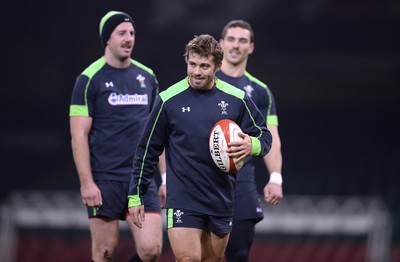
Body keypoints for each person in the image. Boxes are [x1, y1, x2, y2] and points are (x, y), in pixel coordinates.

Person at [128, 34, 272, 262]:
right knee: (188, 259)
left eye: (204, 66)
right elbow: (147, 151)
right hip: (183, 198)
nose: (196, 71)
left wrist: (250, 144)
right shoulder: (168, 100)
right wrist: (135, 196)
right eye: (192, 64)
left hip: (221, 198)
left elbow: (265, 136)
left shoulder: (237, 98)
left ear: (218, 66)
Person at [69, 11, 164, 262]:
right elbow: (79, 135)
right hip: (105, 179)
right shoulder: (89, 79)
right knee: (105, 252)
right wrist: (87, 183)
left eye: (131, 33)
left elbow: (158, 132)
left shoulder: (147, 77)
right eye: (121, 33)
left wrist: (165, 178)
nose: (128, 38)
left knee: (151, 250)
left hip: (141, 179)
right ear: (107, 39)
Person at [216, 20, 284, 261]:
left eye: (242, 40)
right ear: (221, 44)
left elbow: (271, 136)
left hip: (240, 180)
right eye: (231, 40)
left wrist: (275, 178)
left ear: (251, 47)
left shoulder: (260, 91)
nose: (236, 45)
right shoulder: (204, 80)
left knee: (239, 253)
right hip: (202, 179)